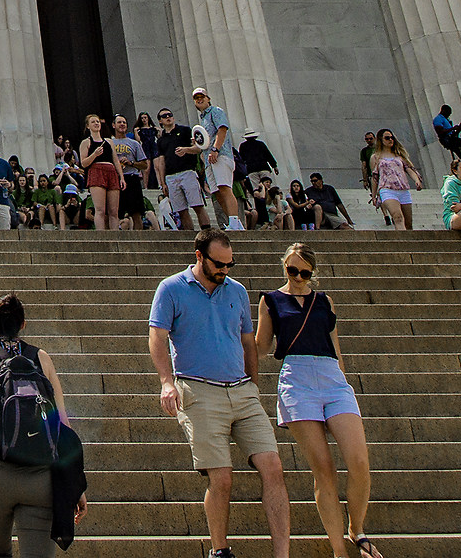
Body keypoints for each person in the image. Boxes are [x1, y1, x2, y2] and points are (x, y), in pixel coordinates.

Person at [151, 231, 290, 558]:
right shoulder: (171, 288)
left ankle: (282, 554)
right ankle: (220, 550)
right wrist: (166, 382)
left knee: (273, 466)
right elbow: (157, 336)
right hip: (198, 390)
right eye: (219, 264)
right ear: (199, 255)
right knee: (222, 477)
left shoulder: (237, 291)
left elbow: (247, 342)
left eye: (230, 264)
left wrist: (253, 384)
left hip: (242, 392)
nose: (225, 270)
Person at [256, 244, 383, 558]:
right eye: (292, 270)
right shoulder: (270, 300)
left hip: (330, 377)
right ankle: (339, 550)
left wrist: (343, 379)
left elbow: (336, 347)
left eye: (305, 273)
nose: (298, 278)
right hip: (296, 379)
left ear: (312, 272)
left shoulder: (324, 301)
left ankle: (357, 529)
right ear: (284, 266)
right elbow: (260, 347)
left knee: (359, 463)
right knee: (323, 470)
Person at [0, 294, 83, 557]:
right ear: (23, 324)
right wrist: (75, 484)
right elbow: (63, 424)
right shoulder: (41, 358)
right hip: (40, 475)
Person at [190, 91, 240, 232]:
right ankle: (233, 221)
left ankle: (235, 222)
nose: (199, 100)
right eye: (196, 98)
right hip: (209, 160)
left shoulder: (216, 111)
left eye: (202, 97)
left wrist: (216, 149)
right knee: (217, 192)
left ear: (208, 99)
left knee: (224, 188)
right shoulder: (203, 119)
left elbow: (222, 129)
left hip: (220, 155)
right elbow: (204, 143)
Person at [155, 108, 207, 232]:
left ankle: (206, 231)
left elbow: (198, 148)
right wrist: (162, 183)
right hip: (171, 176)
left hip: (187, 171)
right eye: (164, 116)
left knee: (197, 205)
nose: (168, 117)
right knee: (181, 210)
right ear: (160, 121)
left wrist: (186, 150)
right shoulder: (161, 140)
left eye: (170, 114)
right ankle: (190, 235)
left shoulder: (185, 131)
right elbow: (161, 162)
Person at [366, 130, 420, 230]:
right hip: (387, 190)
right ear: (381, 140)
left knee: (408, 224)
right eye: (387, 138)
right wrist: (374, 195)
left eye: (392, 138)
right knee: (397, 217)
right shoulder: (375, 157)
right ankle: (403, 243)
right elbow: (374, 177)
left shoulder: (399, 155)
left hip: (403, 189)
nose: (390, 140)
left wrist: (416, 180)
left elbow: (409, 169)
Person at [77, 115, 121, 232]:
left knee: (113, 211)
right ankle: (102, 235)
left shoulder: (109, 141)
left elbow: (116, 160)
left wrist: (121, 177)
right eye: (93, 122)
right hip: (96, 171)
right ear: (88, 126)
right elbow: (84, 163)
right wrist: (95, 154)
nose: (96, 123)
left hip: (111, 171)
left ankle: (115, 234)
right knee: (100, 209)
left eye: (97, 121)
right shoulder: (86, 142)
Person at [431, 104, 461, 169]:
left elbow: (453, 135)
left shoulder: (446, 120)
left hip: (452, 139)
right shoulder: (438, 119)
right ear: (443, 110)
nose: (449, 115)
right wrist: (452, 128)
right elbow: (440, 132)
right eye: (448, 113)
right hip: (448, 140)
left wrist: (458, 130)